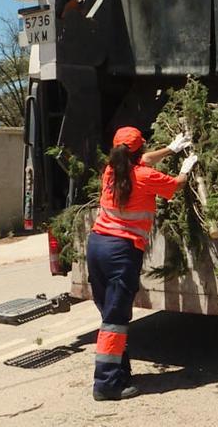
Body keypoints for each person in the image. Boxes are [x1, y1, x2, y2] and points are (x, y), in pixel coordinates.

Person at [87, 126, 198, 401]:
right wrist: (186, 167)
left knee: (109, 315)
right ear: (139, 150)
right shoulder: (145, 176)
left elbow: (143, 159)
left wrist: (171, 149)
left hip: (97, 245)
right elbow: (176, 186)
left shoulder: (111, 169)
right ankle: (106, 384)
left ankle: (118, 371)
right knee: (115, 319)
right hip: (121, 252)